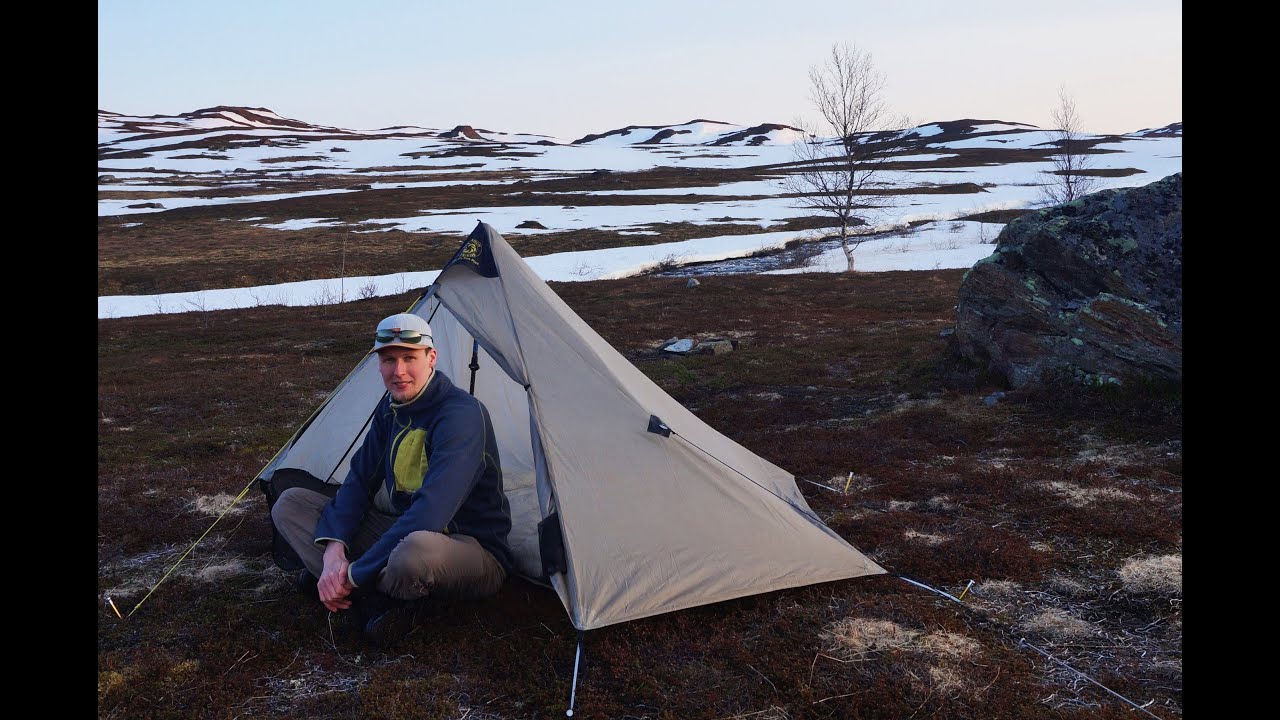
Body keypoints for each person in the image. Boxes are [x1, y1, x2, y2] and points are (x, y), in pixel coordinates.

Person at [271, 312, 513, 644]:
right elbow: (358, 482)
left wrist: (354, 573)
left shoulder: (460, 415)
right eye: (388, 360)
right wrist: (333, 550)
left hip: (469, 547)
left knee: (413, 552)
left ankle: (370, 594)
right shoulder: (391, 408)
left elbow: (431, 513)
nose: (398, 371)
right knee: (291, 504)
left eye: (409, 358)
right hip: (402, 531)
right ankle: (364, 591)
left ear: (431, 358)